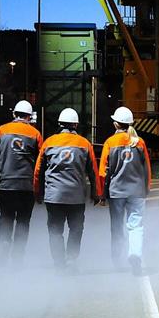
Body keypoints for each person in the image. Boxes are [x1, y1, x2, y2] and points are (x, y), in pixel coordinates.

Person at [34, 108, 101, 272]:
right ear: (76, 124)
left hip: (53, 196)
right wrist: (96, 193)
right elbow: (93, 171)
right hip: (76, 197)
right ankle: (71, 259)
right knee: (76, 229)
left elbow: (38, 171)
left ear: (59, 124)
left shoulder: (48, 143)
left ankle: (59, 263)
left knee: (55, 231)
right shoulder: (85, 144)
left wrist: (37, 192)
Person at [0, 99, 43, 266]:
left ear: (14, 114)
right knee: (23, 220)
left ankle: (4, 247)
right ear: (29, 117)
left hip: (7, 183)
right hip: (26, 185)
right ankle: (18, 257)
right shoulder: (35, 134)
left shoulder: (2, 130)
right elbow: (42, 159)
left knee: (6, 218)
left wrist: (2, 162)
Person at [99, 106, 151, 275]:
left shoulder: (110, 142)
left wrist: (101, 193)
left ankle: (117, 260)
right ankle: (135, 254)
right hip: (137, 191)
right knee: (136, 226)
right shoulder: (139, 142)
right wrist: (146, 188)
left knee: (116, 226)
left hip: (116, 192)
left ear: (115, 124)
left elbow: (102, 172)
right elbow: (147, 169)